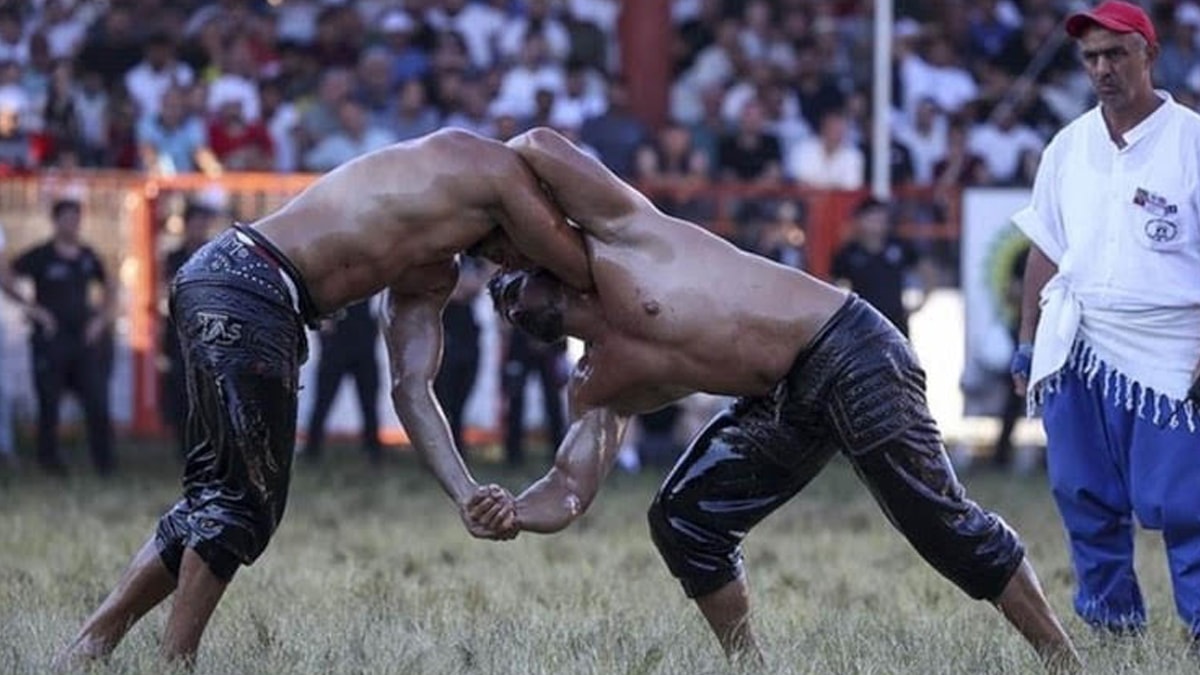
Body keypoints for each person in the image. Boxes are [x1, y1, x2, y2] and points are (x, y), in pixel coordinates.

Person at [467, 127, 1081, 671]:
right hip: (781, 400)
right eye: (502, 304)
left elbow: (537, 146)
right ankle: (749, 665)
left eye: (511, 281)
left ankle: (1064, 660)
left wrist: (486, 197)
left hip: (847, 348)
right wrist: (514, 512)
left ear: (537, 254)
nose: (509, 302)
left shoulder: (624, 236)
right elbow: (570, 488)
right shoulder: (596, 380)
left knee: (939, 524)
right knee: (684, 519)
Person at [52, 128, 593, 669]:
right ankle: (176, 663)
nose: (510, 264)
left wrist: (466, 494)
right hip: (253, 283)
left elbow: (411, 388)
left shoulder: (434, 269)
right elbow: (583, 266)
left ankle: (87, 650)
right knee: (242, 506)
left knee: (213, 497)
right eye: (524, 257)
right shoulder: (483, 163)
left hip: (230, 283)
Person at [1010, 1, 1200, 642]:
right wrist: (1027, 341)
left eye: (1116, 53)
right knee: (1082, 493)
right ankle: (1113, 626)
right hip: (1079, 338)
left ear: (1151, 54)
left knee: (1185, 501)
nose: (1102, 68)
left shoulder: (1192, 141)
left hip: (1174, 345)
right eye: (1090, 57)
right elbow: (1045, 247)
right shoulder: (1068, 145)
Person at [0, 199, 116, 476]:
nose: (72, 224)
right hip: (51, 340)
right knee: (49, 402)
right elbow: (6, 276)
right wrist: (33, 310)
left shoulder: (87, 256)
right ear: (55, 221)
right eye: (66, 218)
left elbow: (110, 286)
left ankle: (105, 463)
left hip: (83, 340)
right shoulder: (41, 255)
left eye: (76, 218)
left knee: (96, 400)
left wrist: (100, 319)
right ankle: (49, 462)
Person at [831, 197, 936, 338]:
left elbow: (926, 269)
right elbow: (834, 284)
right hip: (863, 325)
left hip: (896, 323)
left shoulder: (899, 247)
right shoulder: (848, 253)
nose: (877, 224)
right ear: (859, 220)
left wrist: (921, 302)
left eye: (881, 218)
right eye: (872, 218)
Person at [160, 201, 216, 458]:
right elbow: (168, 291)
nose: (200, 228)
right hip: (180, 334)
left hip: (209, 333)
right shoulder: (174, 257)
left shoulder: (214, 254)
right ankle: (185, 446)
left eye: (204, 222)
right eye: (196, 222)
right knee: (182, 390)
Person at [301, 299, 383, 464]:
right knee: (324, 401)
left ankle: (373, 449)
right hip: (338, 341)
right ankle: (312, 448)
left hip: (361, 341)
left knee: (369, 402)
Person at [434, 257, 487, 453]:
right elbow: (447, 292)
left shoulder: (473, 258)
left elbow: (480, 283)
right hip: (447, 335)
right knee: (443, 398)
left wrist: (461, 288)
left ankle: (456, 446)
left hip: (467, 337)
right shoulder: (443, 257)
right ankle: (441, 448)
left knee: (461, 398)